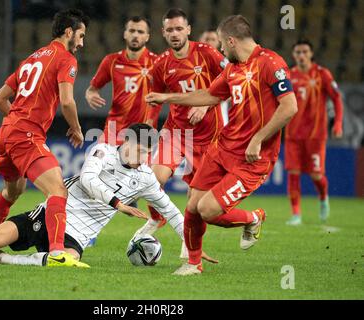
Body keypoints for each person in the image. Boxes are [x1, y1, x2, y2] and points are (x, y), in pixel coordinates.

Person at [146, 15, 298, 275]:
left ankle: (253, 218)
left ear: (231, 40)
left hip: (253, 158)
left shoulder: (271, 63)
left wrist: (258, 139)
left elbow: (290, 107)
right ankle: (194, 264)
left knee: (207, 209)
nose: (221, 51)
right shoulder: (233, 69)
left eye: (222, 44)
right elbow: (208, 95)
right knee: (192, 206)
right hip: (222, 148)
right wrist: (167, 97)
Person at [0, 124, 194, 267]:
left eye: (147, 154)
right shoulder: (103, 151)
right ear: (125, 142)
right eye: (139, 150)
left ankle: (1, 259)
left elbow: (171, 211)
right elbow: (87, 179)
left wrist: (193, 245)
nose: (143, 159)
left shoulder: (146, 177)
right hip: (53, 214)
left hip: (78, 235)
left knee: (68, 260)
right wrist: (118, 204)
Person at [0, 9, 89, 266]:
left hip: (7, 132)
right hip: (25, 135)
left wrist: (17, 120)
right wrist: (76, 128)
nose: (82, 43)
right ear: (69, 32)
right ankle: (56, 253)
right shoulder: (65, 58)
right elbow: (67, 101)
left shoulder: (32, 58)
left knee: (12, 191)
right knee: (57, 190)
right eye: (81, 35)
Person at [140, 8, 228, 238]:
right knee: (152, 179)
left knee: (195, 201)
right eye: (170, 30)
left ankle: (189, 249)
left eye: (179, 28)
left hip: (208, 136)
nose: (175, 34)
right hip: (176, 132)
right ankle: (157, 218)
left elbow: (231, 81)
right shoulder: (161, 64)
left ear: (188, 30)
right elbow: (155, 99)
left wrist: (205, 104)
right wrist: (149, 124)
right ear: (163, 33)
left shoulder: (208, 54)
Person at [285, 39, 343, 225]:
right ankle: (296, 214)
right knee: (293, 173)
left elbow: (337, 98)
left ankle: (323, 197)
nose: (301, 55)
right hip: (293, 135)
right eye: (298, 52)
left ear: (311, 54)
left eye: (304, 52)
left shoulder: (322, 74)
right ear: (294, 55)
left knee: (316, 175)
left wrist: (338, 124)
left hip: (316, 135)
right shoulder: (288, 76)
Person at [85, 16, 159, 145]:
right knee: (96, 164)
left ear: (147, 37)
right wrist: (91, 95)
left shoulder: (157, 64)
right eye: (131, 31)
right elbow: (92, 90)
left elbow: (174, 91)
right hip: (113, 133)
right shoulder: (111, 61)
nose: (135, 35)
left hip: (142, 135)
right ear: (125, 34)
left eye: (140, 32)